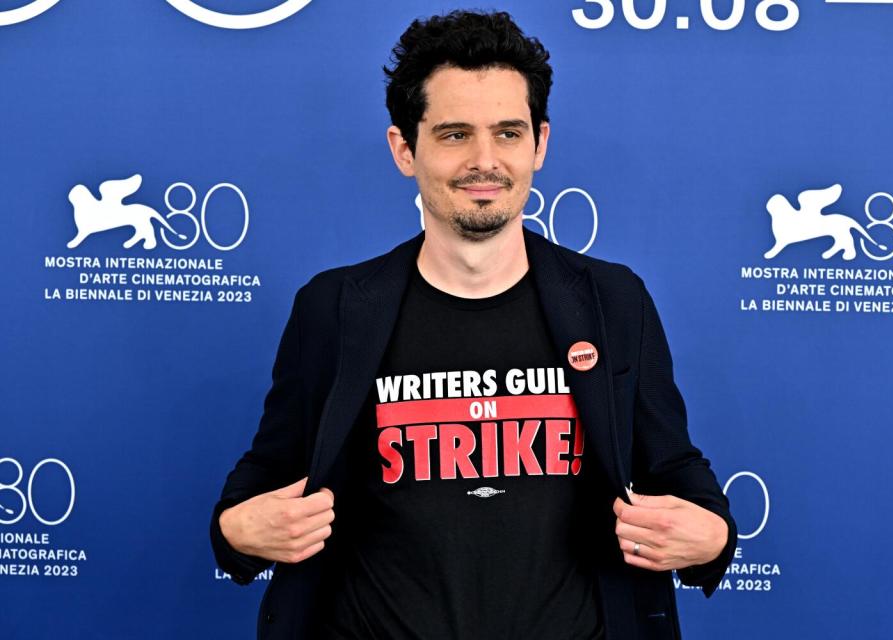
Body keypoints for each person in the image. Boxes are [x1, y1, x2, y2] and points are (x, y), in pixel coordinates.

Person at [211, 10, 736, 640]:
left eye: (508, 133)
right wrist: (235, 532)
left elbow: (678, 474)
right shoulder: (334, 308)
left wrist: (714, 537)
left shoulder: (612, 301)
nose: (485, 161)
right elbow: (261, 485)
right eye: (455, 134)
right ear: (405, 149)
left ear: (540, 143)